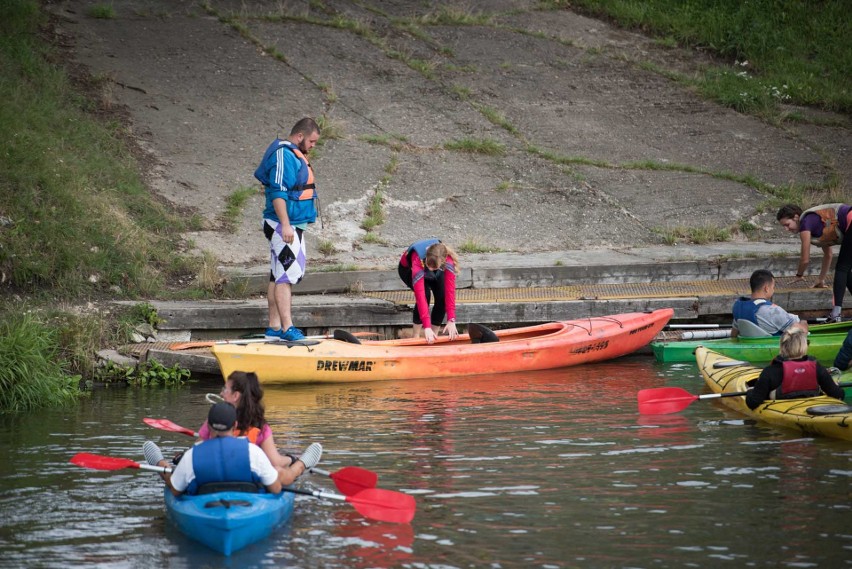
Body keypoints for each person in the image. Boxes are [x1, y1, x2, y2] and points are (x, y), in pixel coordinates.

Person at [254, 118, 322, 342]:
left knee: (277, 275)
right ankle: (287, 328)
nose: (312, 146)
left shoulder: (294, 154)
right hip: (284, 225)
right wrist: (284, 224)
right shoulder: (284, 155)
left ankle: (274, 326)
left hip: (291, 225)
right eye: (311, 141)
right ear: (300, 136)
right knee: (285, 276)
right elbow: (278, 192)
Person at [198, 371, 321, 486]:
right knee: (278, 469)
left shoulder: (213, 420)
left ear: (235, 395)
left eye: (225, 389)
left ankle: (300, 465)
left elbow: (196, 451)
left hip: (246, 480)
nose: (221, 393)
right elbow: (276, 462)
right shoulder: (258, 432)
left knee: (277, 471)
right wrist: (290, 458)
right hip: (234, 478)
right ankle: (298, 462)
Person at [148, 402, 282, 496]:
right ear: (234, 425)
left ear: (208, 427)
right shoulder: (253, 451)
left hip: (206, 508)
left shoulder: (192, 455)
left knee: (175, 481)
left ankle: (161, 464)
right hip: (246, 508)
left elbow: (176, 490)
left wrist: (165, 472)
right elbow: (276, 489)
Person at [777, 203, 852, 322]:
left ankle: (836, 314)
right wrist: (821, 279)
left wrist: (799, 275)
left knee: (842, 268)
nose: (786, 229)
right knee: (846, 270)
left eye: (787, 224)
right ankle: (836, 312)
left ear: (796, 217)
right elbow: (828, 254)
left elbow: (805, 259)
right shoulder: (816, 223)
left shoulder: (805, 224)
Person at [746, 325, 845, 410]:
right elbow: (839, 395)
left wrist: (750, 392)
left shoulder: (770, 371)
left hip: (783, 408)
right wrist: (835, 386)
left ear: (782, 346)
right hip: (811, 406)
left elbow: (753, 403)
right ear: (804, 346)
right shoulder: (816, 368)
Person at [398, 239, 460, 344]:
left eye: (433, 267)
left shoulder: (448, 261)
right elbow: (420, 296)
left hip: (437, 269)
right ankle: (416, 336)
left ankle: (433, 336)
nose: (430, 269)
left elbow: (450, 292)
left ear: (443, 261)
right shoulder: (418, 259)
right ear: (426, 257)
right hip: (408, 269)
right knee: (425, 295)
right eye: (429, 266)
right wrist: (426, 326)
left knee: (442, 297)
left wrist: (451, 319)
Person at [731, 269, 807, 338]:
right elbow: (802, 332)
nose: (773, 290)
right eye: (773, 287)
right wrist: (803, 322)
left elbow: (733, 335)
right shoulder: (773, 311)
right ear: (766, 289)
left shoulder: (739, 308)